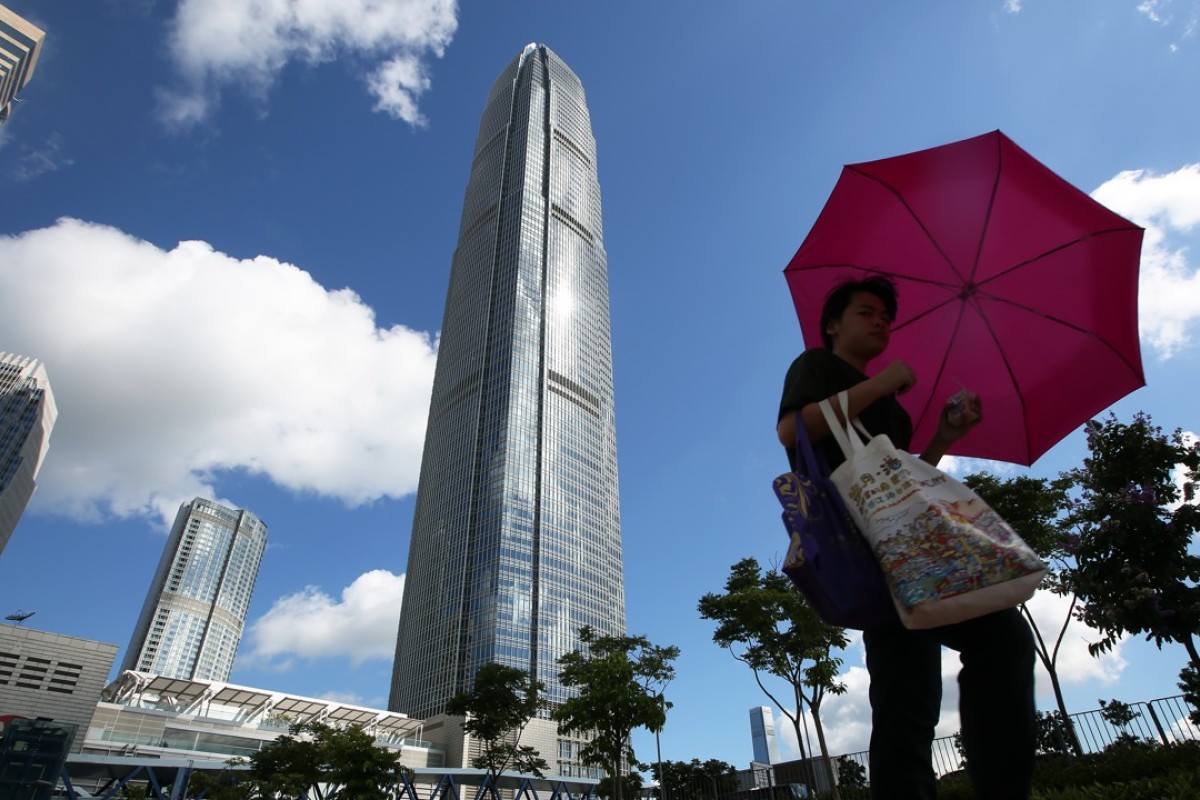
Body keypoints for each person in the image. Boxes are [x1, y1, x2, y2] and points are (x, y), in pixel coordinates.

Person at [776, 275, 1036, 800]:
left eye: (886, 318)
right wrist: (881, 382)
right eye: (867, 313)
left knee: (998, 641)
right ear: (833, 325)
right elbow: (791, 431)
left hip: (908, 543)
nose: (880, 323)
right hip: (865, 547)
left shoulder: (893, 408)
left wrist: (942, 436)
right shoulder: (815, 365)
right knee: (907, 697)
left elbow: (898, 481)